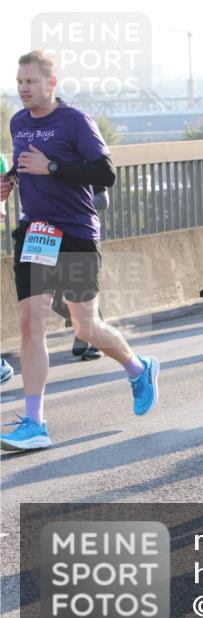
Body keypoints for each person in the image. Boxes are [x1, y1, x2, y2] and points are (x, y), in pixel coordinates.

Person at [1, 51, 159, 452]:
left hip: (75, 234)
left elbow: (106, 173)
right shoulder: (18, 122)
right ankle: (35, 423)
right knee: (30, 324)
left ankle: (138, 367)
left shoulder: (75, 121)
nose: (23, 89)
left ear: (51, 83)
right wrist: (10, 179)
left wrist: (52, 167)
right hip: (36, 233)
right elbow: (26, 165)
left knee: (85, 328)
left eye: (30, 82)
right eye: (19, 82)